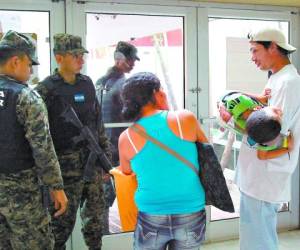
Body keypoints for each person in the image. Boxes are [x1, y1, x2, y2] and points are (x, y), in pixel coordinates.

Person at [35, 34, 111, 250]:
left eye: (82, 55)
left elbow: (98, 122)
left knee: (96, 222)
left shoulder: (86, 84)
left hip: (93, 164)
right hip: (64, 171)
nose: (81, 59)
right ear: (59, 58)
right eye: (75, 55)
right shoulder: (45, 90)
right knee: (60, 227)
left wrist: (105, 156)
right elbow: (39, 134)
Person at [118, 72, 207, 250]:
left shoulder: (126, 137)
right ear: (156, 93)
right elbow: (206, 152)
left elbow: (126, 172)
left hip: (151, 212)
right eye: (162, 90)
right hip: (190, 209)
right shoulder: (185, 119)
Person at [0, 30, 68, 249]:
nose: (30, 72)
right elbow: (43, 148)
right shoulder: (26, 97)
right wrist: (56, 187)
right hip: (21, 194)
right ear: (15, 61)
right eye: (30, 65)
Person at [235, 27, 300, 250]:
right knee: (254, 233)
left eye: (255, 51)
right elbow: (263, 120)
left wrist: (236, 119)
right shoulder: (276, 78)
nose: (252, 58)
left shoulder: (289, 82)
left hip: (266, 173)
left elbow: (271, 132)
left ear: (273, 47)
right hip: (257, 172)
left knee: (258, 239)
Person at [96, 41, 139, 234]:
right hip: (120, 145)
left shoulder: (100, 82)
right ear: (120, 59)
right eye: (130, 60)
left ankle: (103, 233)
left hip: (104, 145)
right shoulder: (123, 84)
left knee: (105, 192)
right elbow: (133, 114)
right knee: (124, 190)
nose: (133, 64)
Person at [218, 91, 288, 154]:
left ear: (259, 107)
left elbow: (232, 93)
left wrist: (258, 97)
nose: (280, 113)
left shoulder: (241, 100)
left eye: (275, 112)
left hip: (226, 102)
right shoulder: (251, 128)